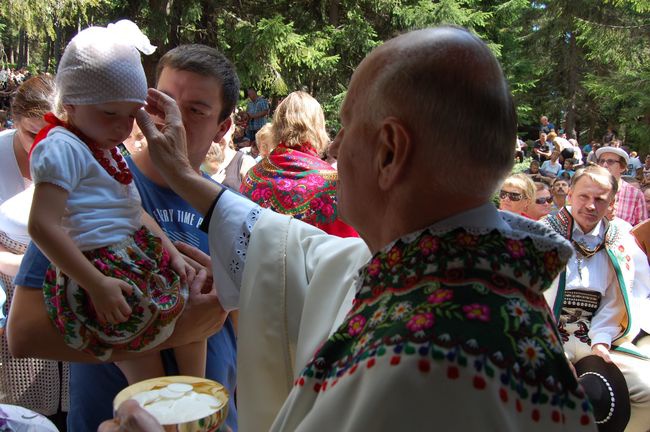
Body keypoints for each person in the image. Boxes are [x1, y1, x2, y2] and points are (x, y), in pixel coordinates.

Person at [137, 26, 596, 430]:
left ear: (390, 152)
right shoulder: (456, 272)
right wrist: (186, 179)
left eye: (347, 124)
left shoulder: (418, 359)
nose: (334, 146)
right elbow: (301, 252)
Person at [7, 43, 239, 431]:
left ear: (224, 127)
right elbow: (24, 334)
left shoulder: (232, 208)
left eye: (196, 110)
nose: (171, 119)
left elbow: (246, 332)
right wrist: (176, 328)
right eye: (160, 102)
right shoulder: (87, 185)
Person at [27, 20, 205, 385]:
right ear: (71, 104)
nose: (124, 128)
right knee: (145, 367)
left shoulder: (105, 148)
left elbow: (131, 209)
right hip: (101, 269)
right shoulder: (61, 148)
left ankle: (194, 399)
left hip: (133, 257)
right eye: (110, 113)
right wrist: (95, 283)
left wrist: (168, 247)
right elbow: (41, 225)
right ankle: (175, 412)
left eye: (132, 115)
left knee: (196, 319)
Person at [542, 165, 650, 432]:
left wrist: (601, 341)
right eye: (584, 196)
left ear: (611, 202)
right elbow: (525, 299)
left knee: (647, 388)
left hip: (595, 335)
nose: (591, 206)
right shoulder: (539, 234)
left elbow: (615, 301)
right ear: (570, 194)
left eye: (600, 199)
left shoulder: (618, 240)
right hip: (544, 336)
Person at [0, 75, 69, 425]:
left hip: (68, 302)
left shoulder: (76, 153)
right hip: (11, 310)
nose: (42, 144)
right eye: (31, 133)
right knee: (26, 412)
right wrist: (24, 265)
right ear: (14, 120)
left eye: (52, 133)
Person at [240, 91, 358, 237]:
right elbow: (349, 247)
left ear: (277, 126)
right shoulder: (333, 185)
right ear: (318, 127)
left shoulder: (253, 176)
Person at [596, 146, 647, 226]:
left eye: (610, 161)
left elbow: (641, 232)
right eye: (601, 161)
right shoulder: (589, 190)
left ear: (622, 167)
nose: (604, 165)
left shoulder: (635, 195)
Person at [204, 120, 256, 190]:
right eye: (210, 128)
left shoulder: (245, 162)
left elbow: (252, 198)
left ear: (232, 128)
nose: (215, 135)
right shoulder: (195, 161)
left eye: (222, 128)